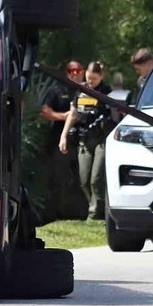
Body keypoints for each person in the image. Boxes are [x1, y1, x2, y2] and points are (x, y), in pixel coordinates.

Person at [58, 61, 113, 220]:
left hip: (101, 139)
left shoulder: (107, 92)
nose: (91, 82)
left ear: (101, 76)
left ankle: (96, 215)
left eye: (94, 79)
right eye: (89, 78)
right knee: (84, 180)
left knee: (96, 179)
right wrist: (64, 136)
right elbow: (73, 114)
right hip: (84, 139)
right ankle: (94, 207)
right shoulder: (81, 91)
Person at [39, 60, 85, 221]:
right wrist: (64, 117)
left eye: (78, 70)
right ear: (67, 72)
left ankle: (79, 214)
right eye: (71, 70)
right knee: (57, 179)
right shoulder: (57, 90)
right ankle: (52, 214)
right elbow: (45, 112)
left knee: (81, 179)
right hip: (59, 140)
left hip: (82, 139)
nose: (75, 73)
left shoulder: (86, 90)